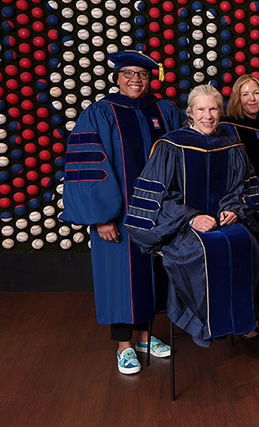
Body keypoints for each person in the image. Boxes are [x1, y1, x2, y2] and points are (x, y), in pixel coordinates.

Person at [61, 50, 183, 374]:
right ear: (117, 77)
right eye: (128, 74)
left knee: (152, 275)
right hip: (118, 217)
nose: (135, 80)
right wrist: (101, 216)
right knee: (119, 279)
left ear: (150, 79)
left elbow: (182, 159)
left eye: (141, 75)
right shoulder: (100, 113)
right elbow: (88, 164)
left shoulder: (165, 110)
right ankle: (123, 346)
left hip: (158, 215)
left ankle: (144, 337)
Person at [125, 84, 259, 345]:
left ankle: (238, 318)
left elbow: (244, 186)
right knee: (198, 254)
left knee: (248, 245)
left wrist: (234, 209)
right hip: (181, 226)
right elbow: (155, 196)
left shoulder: (231, 144)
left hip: (223, 222)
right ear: (190, 112)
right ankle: (202, 321)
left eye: (213, 109)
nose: (208, 116)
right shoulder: (170, 145)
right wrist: (190, 217)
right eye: (201, 109)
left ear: (221, 111)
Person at [220, 74, 259, 341]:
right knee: (245, 262)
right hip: (243, 209)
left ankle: (258, 317)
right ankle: (245, 322)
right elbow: (225, 175)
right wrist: (249, 205)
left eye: (255, 93)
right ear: (237, 98)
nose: (251, 99)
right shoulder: (227, 129)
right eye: (245, 94)